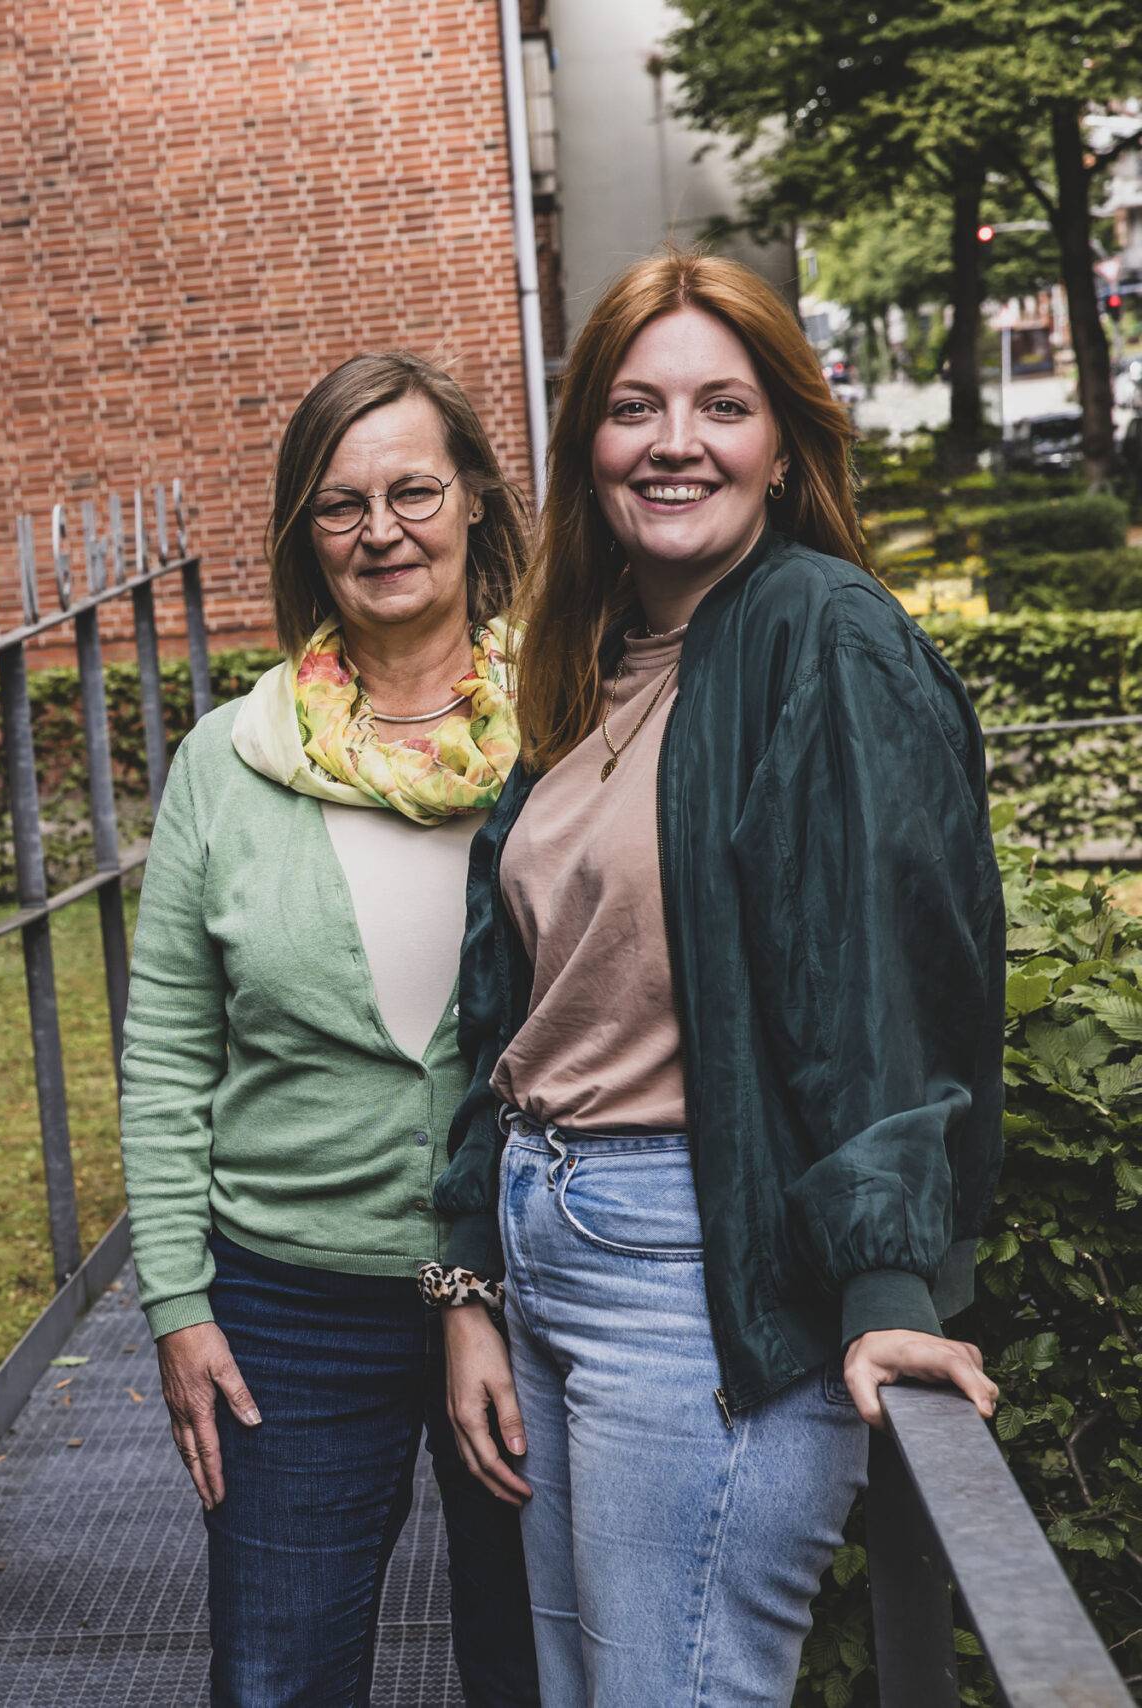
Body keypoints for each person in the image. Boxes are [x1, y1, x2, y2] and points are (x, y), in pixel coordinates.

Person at [428, 251, 1005, 1707]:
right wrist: (473, 1282)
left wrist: (888, 1285)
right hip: (550, 1242)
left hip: (691, 1275)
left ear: (784, 440)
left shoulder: (827, 636)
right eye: (635, 406)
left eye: (721, 404)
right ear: (588, 446)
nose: (675, 441)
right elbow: (509, 1011)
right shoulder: (597, 662)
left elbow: (886, 980)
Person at [123, 350, 541, 1708]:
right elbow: (169, 1058)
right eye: (341, 503)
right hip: (287, 1308)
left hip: (539, 1282)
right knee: (280, 1680)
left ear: (475, 497)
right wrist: (179, 1306)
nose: (382, 530)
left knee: (539, 1666)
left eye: (414, 489)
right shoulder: (228, 768)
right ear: (307, 534)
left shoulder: (573, 735)